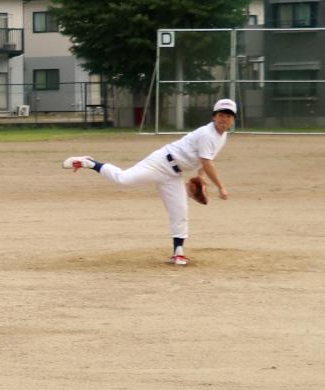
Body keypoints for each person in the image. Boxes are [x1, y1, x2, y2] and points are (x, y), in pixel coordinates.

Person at [62, 96, 237, 266]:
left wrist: (200, 177)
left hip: (174, 174)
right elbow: (207, 162)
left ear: (232, 120)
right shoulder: (207, 134)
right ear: (214, 116)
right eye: (221, 115)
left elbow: (204, 160)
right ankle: (89, 163)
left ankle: (178, 252)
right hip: (160, 162)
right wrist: (221, 187)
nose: (224, 119)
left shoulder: (221, 137)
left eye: (228, 116)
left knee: (180, 210)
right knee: (124, 179)